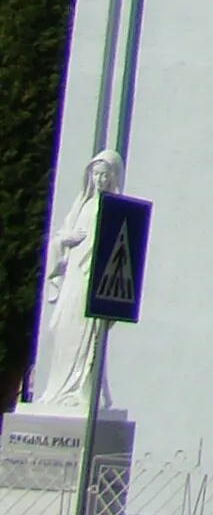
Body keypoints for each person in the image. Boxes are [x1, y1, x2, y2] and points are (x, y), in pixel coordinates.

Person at [33, 152, 123, 413]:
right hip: (73, 276)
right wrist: (65, 240)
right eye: (95, 174)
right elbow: (60, 240)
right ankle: (58, 390)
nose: (99, 179)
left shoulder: (111, 209)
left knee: (87, 334)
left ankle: (82, 387)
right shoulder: (82, 205)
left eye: (105, 174)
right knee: (59, 327)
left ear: (112, 178)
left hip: (89, 279)